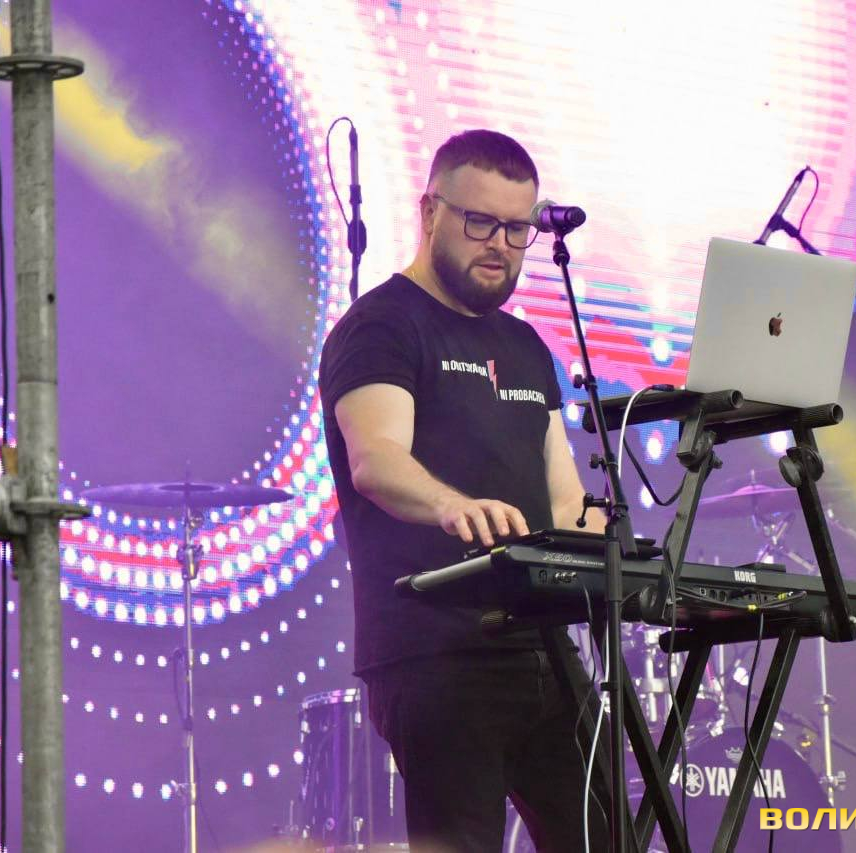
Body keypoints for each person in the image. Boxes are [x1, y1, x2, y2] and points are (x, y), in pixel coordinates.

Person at [319, 129, 610, 852]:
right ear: (429, 211)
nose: (500, 245)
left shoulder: (526, 345)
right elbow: (376, 459)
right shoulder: (381, 326)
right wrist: (453, 505)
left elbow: (564, 499)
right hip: (435, 653)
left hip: (544, 647)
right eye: (480, 222)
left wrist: (614, 541)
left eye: (517, 229)